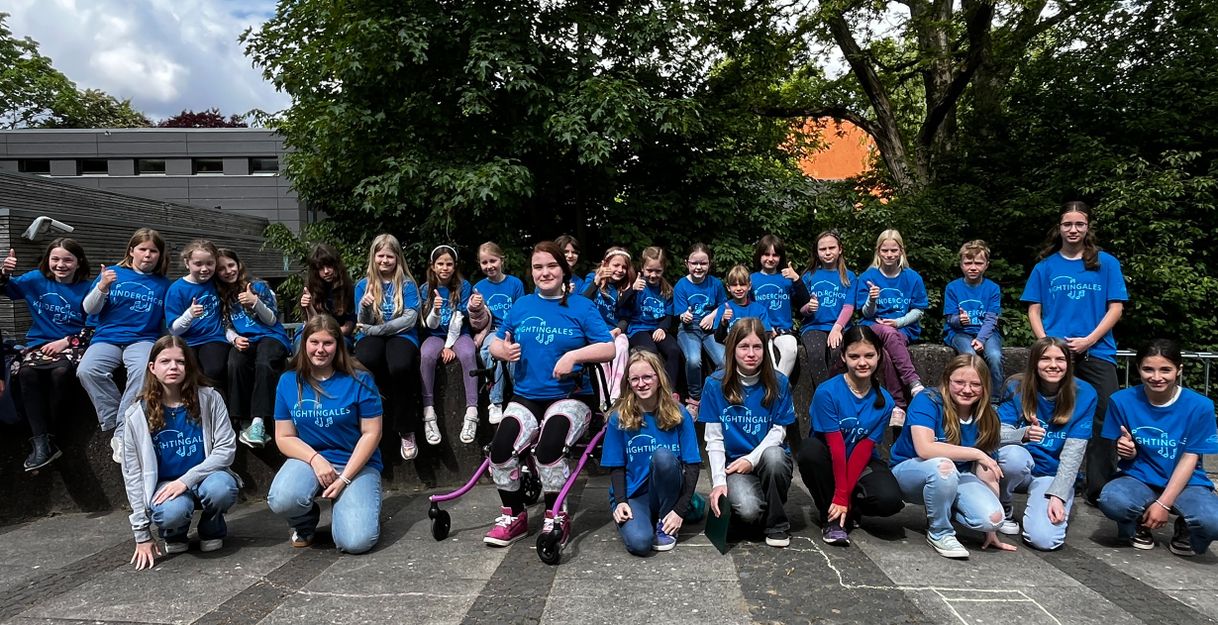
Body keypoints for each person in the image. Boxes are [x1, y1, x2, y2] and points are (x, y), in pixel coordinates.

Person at [484, 241, 614, 547]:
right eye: (538, 267)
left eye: (551, 266)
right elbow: (495, 339)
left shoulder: (582, 305)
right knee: (500, 451)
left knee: (548, 450)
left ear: (564, 269)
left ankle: (556, 515)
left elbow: (608, 347)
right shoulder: (522, 305)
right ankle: (514, 516)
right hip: (527, 395)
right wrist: (500, 348)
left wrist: (575, 357)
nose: (545, 272)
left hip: (572, 395)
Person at [1022, 201, 1127, 505]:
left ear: (1087, 227)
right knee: (1049, 413)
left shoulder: (1106, 263)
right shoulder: (1045, 266)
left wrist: (1089, 340)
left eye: (1079, 224)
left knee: (1105, 414)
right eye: (1067, 224)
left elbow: (1116, 307)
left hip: (1097, 350)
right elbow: (1034, 309)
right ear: (1060, 227)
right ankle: (1044, 478)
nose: (1073, 230)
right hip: (1056, 354)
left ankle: (1099, 489)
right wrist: (1047, 346)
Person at [268, 315, 383, 554]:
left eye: (328, 343)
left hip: (355, 463)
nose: (320, 349)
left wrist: (344, 479)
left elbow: (372, 433)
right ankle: (304, 522)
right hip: (310, 460)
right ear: (304, 344)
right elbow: (284, 436)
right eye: (314, 342)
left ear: (338, 346)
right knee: (282, 498)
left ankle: (353, 505)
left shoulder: (360, 380)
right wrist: (315, 459)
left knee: (356, 542)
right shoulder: (289, 382)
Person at [123, 335, 239, 569]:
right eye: (166, 361)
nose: (174, 367)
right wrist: (142, 533)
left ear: (189, 366)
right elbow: (132, 473)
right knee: (172, 512)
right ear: (152, 368)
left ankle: (212, 526)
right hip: (165, 484)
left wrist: (186, 481)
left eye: (180, 361)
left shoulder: (209, 398)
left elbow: (226, 449)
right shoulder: (136, 415)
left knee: (222, 489)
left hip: (205, 476)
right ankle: (174, 532)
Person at [1097, 339, 1218, 557]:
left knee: (1213, 521)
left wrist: (1164, 504)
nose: (1156, 377)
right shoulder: (1120, 400)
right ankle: (1136, 525)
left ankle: (1188, 529)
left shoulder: (1201, 406)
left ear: (1178, 370)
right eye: (1148, 369)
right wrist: (1126, 450)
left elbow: (1190, 458)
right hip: (1139, 477)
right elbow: (1117, 444)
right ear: (1138, 369)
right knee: (1112, 500)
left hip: (1187, 480)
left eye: (1165, 370)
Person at [889, 355, 1012, 558]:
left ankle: (943, 506)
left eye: (975, 384)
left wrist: (991, 531)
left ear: (985, 388)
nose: (966, 389)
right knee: (942, 466)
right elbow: (925, 449)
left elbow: (988, 471)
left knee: (993, 518)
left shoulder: (988, 416)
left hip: (957, 477)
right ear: (947, 380)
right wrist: (976, 453)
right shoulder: (927, 400)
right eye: (959, 382)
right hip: (911, 471)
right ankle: (940, 531)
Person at [797, 326, 904, 546]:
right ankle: (833, 518)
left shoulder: (885, 400)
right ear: (844, 357)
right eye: (854, 356)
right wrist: (839, 494)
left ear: (879, 355)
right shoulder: (827, 392)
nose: (862, 362)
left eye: (869, 356)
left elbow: (864, 449)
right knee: (809, 451)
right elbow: (836, 447)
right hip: (828, 457)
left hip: (859, 458)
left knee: (889, 499)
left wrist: (844, 496)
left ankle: (848, 507)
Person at [700, 318, 796, 548]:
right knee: (749, 511)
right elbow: (713, 439)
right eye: (744, 347)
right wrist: (719, 483)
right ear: (732, 349)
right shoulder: (715, 384)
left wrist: (751, 460)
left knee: (775, 456)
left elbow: (778, 431)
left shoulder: (779, 382)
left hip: (764, 458)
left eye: (757, 347)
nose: (751, 353)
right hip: (734, 467)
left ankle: (777, 524)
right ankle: (754, 505)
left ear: (765, 349)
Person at [78, 228, 171, 463]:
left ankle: (121, 433)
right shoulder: (112, 273)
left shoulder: (164, 285)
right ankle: (114, 421)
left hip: (143, 339)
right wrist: (102, 287)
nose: (148, 255)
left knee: (143, 371)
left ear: (160, 255)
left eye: (153, 251)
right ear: (132, 251)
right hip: (107, 338)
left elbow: (166, 322)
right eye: (142, 249)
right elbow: (89, 309)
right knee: (87, 370)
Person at [994, 337, 1095, 550]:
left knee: (1044, 540)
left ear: (1069, 364)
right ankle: (1003, 504)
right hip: (1022, 466)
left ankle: (1046, 503)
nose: (1053, 365)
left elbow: (1073, 453)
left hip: (1052, 473)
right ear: (1034, 363)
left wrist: (1058, 495)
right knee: (1012, 456)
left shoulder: (1085, 394)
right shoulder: (1016, 386)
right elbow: (996, 434)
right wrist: (1024, 434)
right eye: (1045, 359)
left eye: (1060, 359)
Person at [0, 240, 91, 471]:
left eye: (67, 259)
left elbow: (94, 327)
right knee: (26, 373)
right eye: (55, 259)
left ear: (78, 262)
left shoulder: (88, 288)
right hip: (39, 344)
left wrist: (66, 342)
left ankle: (51, 432)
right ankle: (41, 441)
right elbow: (5, 288)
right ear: (48, 261)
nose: (61, 265)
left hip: (73, 344)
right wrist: (4, 272)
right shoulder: (35, 280)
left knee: (61, 373)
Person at [601, 351, 702, 555]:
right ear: (628, 383)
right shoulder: (618, 417)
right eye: (635, 379)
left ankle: (666, 520)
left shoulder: (680, 413)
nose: (641, 383)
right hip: (635, 492)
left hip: (668, 488)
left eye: (647, 377)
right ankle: (644, 518)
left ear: (659, 378)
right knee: (640, 544)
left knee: (663, 456)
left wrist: (679, 511)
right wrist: (620, 502)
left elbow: (692, 465)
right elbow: (616, 465)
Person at [352, 234, 422, 459]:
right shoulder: (363, 285)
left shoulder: (408, 284)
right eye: (380, 256)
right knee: (366, 358)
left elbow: (409, 319)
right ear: (373, 257)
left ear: (397, 258)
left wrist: (377, 330)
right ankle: (378, 407)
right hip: (373, 334)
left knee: (400, 365)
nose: (384, 261)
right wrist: (364, 308)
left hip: (402, 334)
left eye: (389, 256)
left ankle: (406, 428)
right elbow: (363, 322)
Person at [216, 248, 291, 448]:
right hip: (245, 339)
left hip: (270, 336)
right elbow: (225, 326)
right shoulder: (221, 295)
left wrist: (255, 302)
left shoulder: (257, 286)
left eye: (231, 265)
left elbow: (272, 319)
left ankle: (259, 420)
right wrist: (234, 339)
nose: (228, 271)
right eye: (222, 268)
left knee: (265, 362)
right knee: (235, 362)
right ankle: (241, 421)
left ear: (238, 265)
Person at [856, 229, 928, 428]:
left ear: (901, 251)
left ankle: (898, 406)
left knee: (887, 354)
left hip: (902, 327)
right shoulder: (868, 277)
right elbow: (866, 314)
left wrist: (899, 322)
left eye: (893, 250)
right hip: (874, 326)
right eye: (885, 250)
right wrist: (872, 298)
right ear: (878, 251)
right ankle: (913, 383)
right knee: (887, 332)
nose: (889, 255)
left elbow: (919, 309)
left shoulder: (912, 277)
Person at [419, 245, 480, 445]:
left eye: (449, 264)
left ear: (454, 267)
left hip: (458, 334)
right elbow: (429, 324)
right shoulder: (425, 289)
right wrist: (435, 311)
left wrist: (449, 346)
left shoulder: (463, 286)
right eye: (440, 264)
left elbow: (458, 319)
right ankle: (429, 412)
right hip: (435, 334)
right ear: (433, 266)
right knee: (426, 355)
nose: (444, 268)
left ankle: (472, 411)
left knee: (469, 353)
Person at [472, 241, 526, 426]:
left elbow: (520, 313)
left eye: (492, 261)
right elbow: (477, 318)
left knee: (514, 352)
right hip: (493, 331)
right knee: (489, 352)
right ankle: (495, 401)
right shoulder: (479, 287)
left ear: (501, 260)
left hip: (513, 330)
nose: (489, 266)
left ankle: (518, 393)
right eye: (484, 263)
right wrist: (475, 307)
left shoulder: (515, 284)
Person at [165, 239, 229, 390]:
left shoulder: (217, 282)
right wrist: (189, 314)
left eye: (209, 263)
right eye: (198, 264)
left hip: (214, 337)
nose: (204, 269)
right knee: (188, 373)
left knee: (215, 368)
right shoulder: (177, 289)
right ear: (187, 263)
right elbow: (174, 329)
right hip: (188, 341)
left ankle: (218, 408)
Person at [795, 230, 856, 389]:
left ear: (840, 249)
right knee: (815, 354)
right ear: (816, 252)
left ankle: (838, 395)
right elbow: (800, 308)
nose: (828, 252)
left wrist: (837, 328)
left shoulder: (849, 276)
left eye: (832, 248)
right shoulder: (808, 276)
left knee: (837, 353)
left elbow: (849, 307)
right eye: (823, 249)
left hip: (840, 327)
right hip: (813, 326)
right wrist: (808, 307)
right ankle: (823, 396)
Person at [943, 240, 1003, 398]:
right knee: (970, 356)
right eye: (968, 263)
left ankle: (996, 399)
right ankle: (971, 395)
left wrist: (981, 339)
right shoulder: (952, 288)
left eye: (978, 263)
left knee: (995, 356)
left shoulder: (993, 288)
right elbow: (950, 318)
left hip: (986, 333)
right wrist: (960, 320)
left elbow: (991, 319)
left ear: (986, 265)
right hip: (959, 333)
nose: (973, 267)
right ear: (961, 265)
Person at [673, 243, 726, 416]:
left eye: (703, 263)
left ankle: (714, 393)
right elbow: (680, 312)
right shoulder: (681, 285)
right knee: (694, 360)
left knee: (725, 361)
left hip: (709, 330)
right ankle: (695, 399)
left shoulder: (715, 284)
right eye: (694, 263)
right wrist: (684, 316)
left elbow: (724, 305)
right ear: (687, 263)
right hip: (689, 330)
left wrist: (712, 317)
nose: (698, 267)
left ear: (709, 264)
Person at [621, 246, 680, 393]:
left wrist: (662, 328)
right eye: (649, 270)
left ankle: (669, 390)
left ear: (663, 269)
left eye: (658, 271)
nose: (653, 275)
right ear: (642, 268)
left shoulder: (666, 289)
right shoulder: (636, 284)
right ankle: (651, 388)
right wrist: (632, 290)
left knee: (673, 350)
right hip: (637, 328)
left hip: (656, 328)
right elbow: (621, 306)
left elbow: (668, 314)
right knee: (650, 352)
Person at [582, 246, 635, 405]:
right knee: (603, 355)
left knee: (621, 347)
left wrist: (618, 330)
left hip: (615, 331)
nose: (620, 270)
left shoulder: (624, 286)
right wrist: (596, 283)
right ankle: (604, 399)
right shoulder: (592, 278)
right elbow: (581, 303)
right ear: (605, 264)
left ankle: (616, 396)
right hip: (594, 332)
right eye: (616, 265)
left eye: (624, 267)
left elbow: (626, 316)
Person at [751, 235, 800, 377]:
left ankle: (779, 386)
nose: (770, 259)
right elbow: (746, 307)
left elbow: (803, 302)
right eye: (766, 254)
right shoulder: (751, 280)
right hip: (761, 331)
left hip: (784, 330)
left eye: (775, 255)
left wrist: (796, 279)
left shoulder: (786, 279)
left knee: (791, 349)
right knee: (767, 358)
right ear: (759, 255)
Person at [299, 243, 355, 341]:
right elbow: (311, 325)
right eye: (321, 268)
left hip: (339, 334)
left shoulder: (349, 288)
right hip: (313, 333)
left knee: (335, 346)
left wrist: (326, 334)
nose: (326, 271)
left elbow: (347, 328)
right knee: (301, 344)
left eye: (329, 266)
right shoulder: (310, 289)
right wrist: (309, 307)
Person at [713, 264, 771, 343]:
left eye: (742, 284)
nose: (738, 288)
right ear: (728, 287)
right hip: (730, 352)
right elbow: (718, 339)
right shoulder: (723, 309)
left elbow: (766, 335)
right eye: (734, 285)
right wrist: (723, 323)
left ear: (749, 286)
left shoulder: (760, 310)